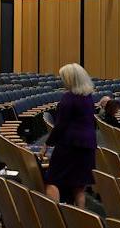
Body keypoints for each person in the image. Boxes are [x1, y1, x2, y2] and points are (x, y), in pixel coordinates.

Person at [41, 63, 98, 207]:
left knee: (52, 180)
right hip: (88, 146)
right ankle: (81, 219)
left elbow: (61, 125)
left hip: (70, 145)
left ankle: (55, 218)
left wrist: (47, 144)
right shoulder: (88, 97)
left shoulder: (68, 97)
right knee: (79, 186)